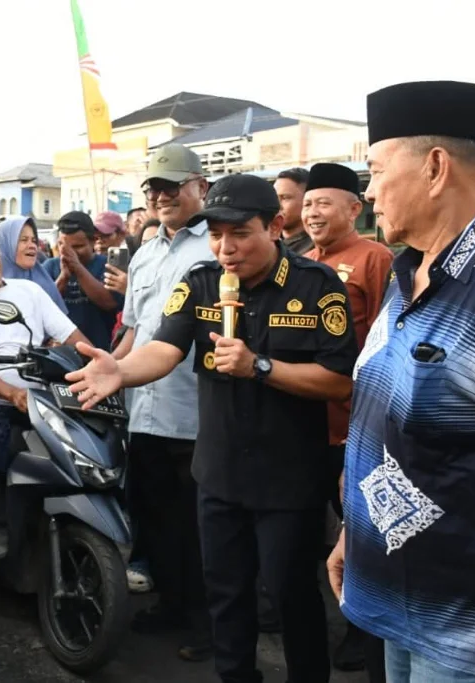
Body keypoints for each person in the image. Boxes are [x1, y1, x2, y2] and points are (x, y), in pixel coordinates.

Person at [69, 173, 359, 683]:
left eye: (240, 233)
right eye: (216, 234)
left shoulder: (317, 287)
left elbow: (338, 381)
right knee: (225, 597)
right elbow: (164, 348)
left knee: (292, 595)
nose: (226, 248)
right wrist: (120, 370)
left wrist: (261, 367)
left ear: (273, 226)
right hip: (218, 474)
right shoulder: (201, 282)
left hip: (288, 480)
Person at [327, 80, 475, 683]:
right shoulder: (409, 271)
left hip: (471, 629)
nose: (368, 191)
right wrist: (356, 527)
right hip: (392, 600)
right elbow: (385, 424)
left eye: (376, 171)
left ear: (435, 168)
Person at [110, 144, 214, 659]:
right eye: (153, 188)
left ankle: (207, 625)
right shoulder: (146, 252)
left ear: (201, 187)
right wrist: (108, 370)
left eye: (172, 186)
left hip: (195, 413)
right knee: (155, 522)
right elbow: (133, 332)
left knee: (199, 530)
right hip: (143, 413)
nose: (161, 195)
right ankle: (173, 606)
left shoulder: (218, 247)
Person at [301, 162, 392, 679]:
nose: (313, 213)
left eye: (323, 203)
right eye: (308, 204)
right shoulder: (302, 262)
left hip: (354, 428)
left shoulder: (375, 258)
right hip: (306, 425)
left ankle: (363, 631)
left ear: (354, 209)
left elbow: (385, 342)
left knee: (360, 532)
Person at [0, 230, 88, 523]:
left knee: (80, 466)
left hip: (42, 396)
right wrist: (13, 394)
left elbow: (71, 335)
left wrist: (100, 363)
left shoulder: (30, 292)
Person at [43, 212, 123, 351]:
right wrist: (63, 277)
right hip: (60, 354)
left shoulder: (108, 266)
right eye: (63, 245)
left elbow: (109, 303)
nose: (69, 253)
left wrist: (78, 268)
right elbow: (44, 307)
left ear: (93, 241)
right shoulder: (49, 266)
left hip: (100, 351)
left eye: (77, 246)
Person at [0, 216, 67, 313]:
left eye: (34, 241)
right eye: (24, 240)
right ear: (5, 245)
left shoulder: (44, 285)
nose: (32, 246)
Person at [274, 168, 314, 255]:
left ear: (307, 201)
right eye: (274, 198)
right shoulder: (268, 241)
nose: (277, 205)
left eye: (285, 198)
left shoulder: (317, 247)